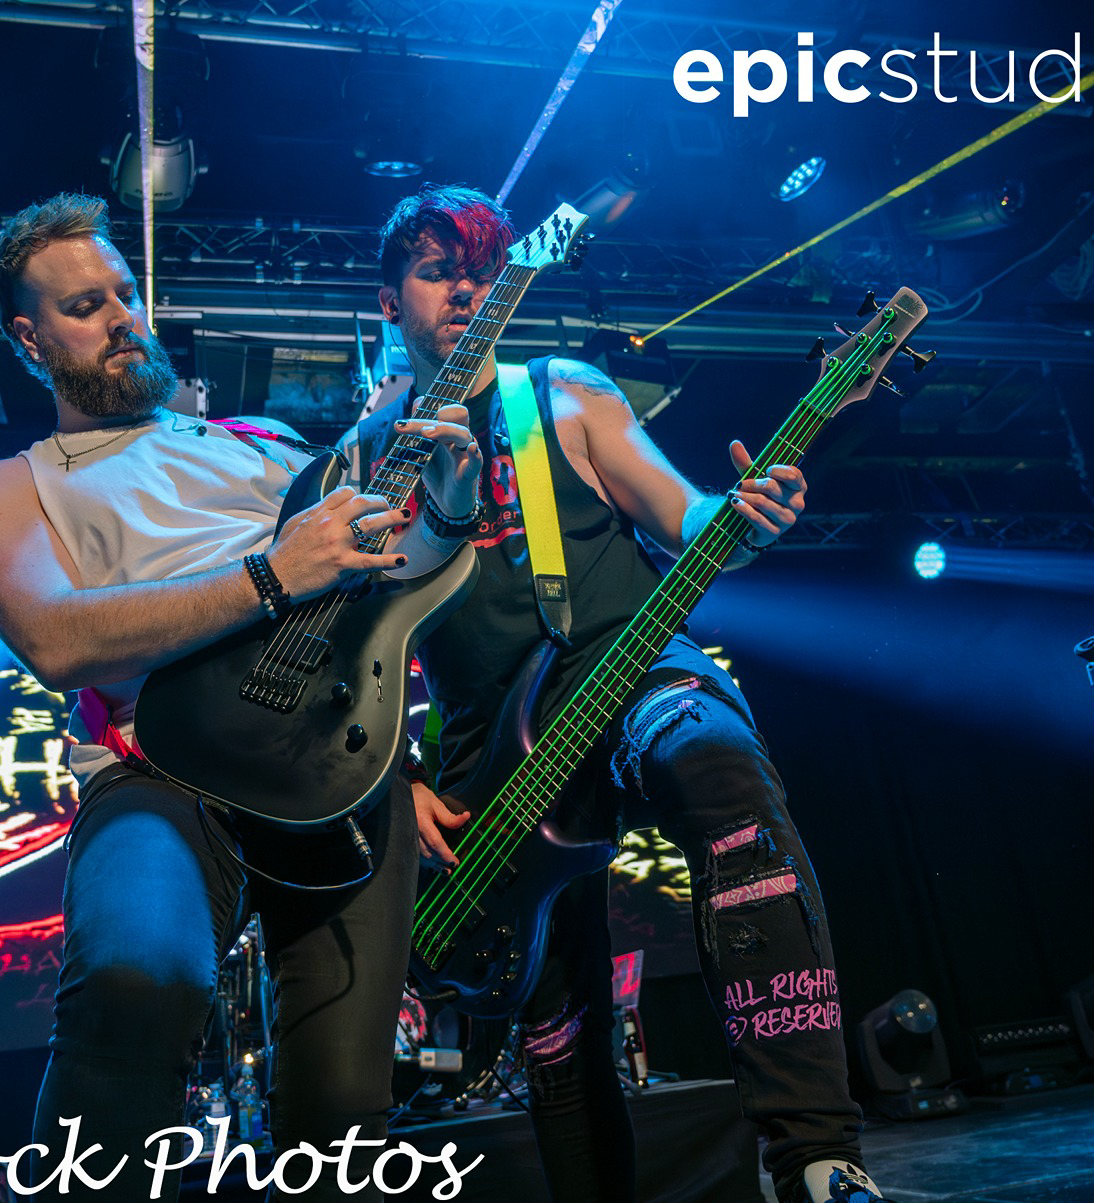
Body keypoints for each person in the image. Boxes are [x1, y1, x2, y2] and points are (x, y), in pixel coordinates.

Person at [348, 184, 891, 1203]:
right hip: (485, 749)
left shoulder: (562, 392)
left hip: (631, 667)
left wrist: (745, 516)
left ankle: (815, 1157)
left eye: (482, 273)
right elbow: (348, 655)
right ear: (389, 301)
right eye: (436, 272)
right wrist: (397, 777)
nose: (464, 292)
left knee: (720, 771)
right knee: (558, 1018)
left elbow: (690, 518)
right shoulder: (365, 459)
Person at [0, 192, 482, 1201]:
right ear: (29, 338)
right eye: (84, 307)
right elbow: (54, 639)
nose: (121, 318)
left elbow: (389, 580)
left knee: (345, 1116)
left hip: (334, 761)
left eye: (124, 293)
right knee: (136, 978)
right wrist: (271, 574)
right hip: (160, 767)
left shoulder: (261, 442)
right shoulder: (9, 485)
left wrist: (450, 508)